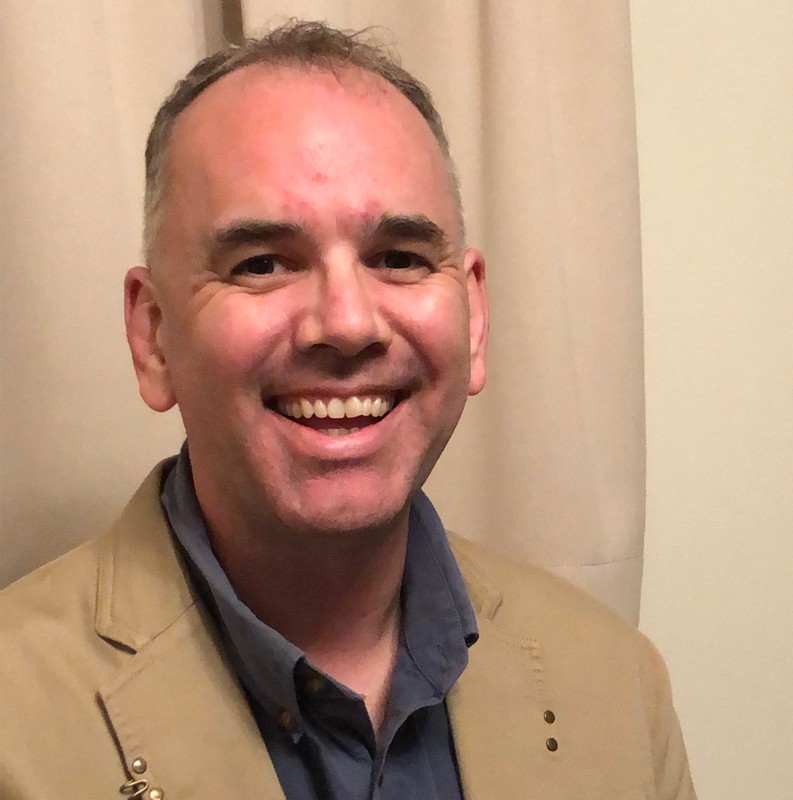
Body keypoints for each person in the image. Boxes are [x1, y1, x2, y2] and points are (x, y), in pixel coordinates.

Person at [0, 20, 695, 800]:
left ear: (473, 318)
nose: (348, 323)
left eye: (399, 258)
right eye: (262, 263)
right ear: (153, 335)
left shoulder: (618, 684)